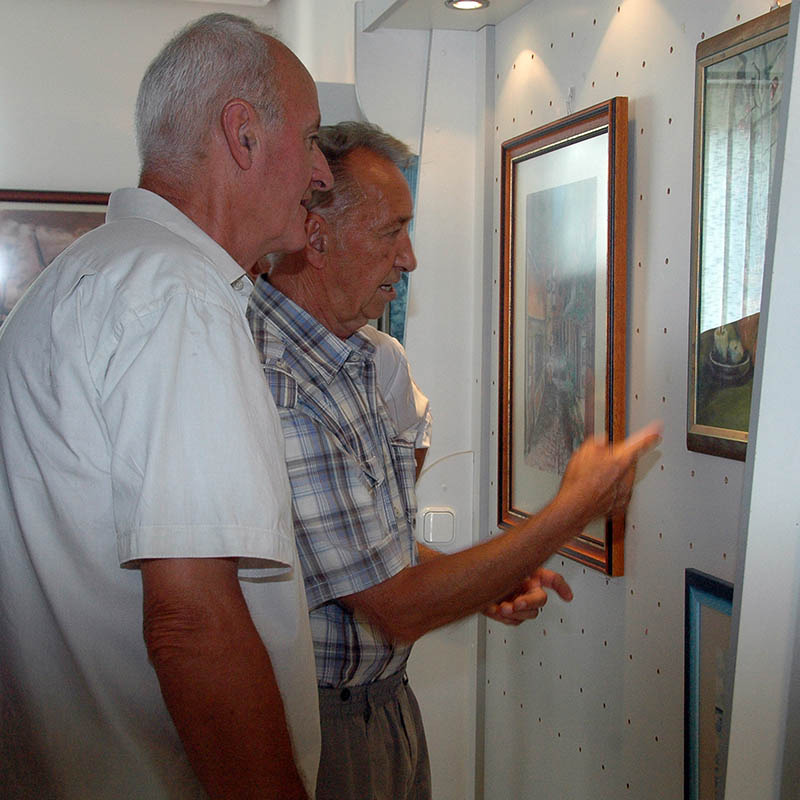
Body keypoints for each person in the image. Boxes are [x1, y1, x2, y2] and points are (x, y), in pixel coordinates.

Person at [247, 120, 662, 800]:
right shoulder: (284, 382)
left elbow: (369, 555)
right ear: (316, 239)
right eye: (392, 232)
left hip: (382, 705)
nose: (409, 259)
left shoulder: (357, 357)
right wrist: (573, 508)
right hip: (327, 726)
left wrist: (484, 579)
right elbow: (394, 606)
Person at [0, 14, 334, 799]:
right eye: (313, 139)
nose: (322, 172)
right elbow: (191, 622)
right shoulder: (178, 296)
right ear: (243, 135)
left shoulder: (79, 278)